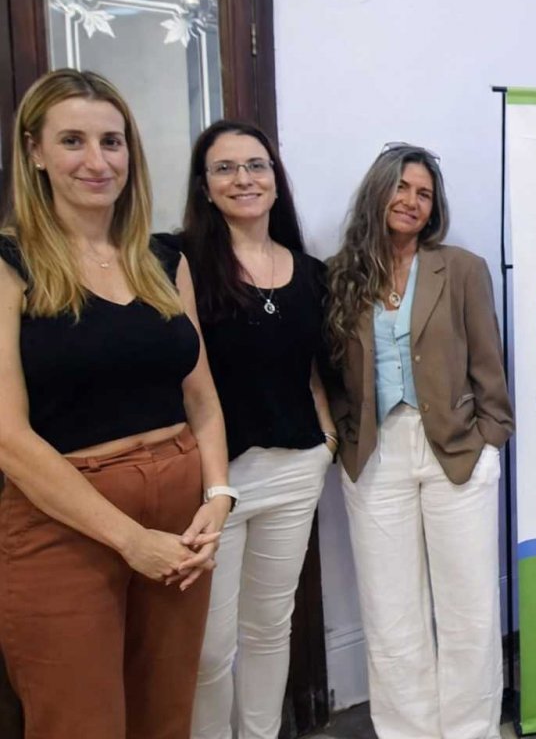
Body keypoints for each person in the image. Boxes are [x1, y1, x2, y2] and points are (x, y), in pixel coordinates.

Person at [0, 68, 230, 739]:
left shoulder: (163, 259)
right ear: (35, 152)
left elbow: (202, 397)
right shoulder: (10, 264)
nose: (97, 162)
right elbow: (8, 436)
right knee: (80, 721)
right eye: (72, 141)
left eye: (112, 141)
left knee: (166, 714)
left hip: (181, 510)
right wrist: (131, 540)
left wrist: (219, 496)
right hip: (64, 517)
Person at [325, 142, 514, 739]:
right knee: (390, 612)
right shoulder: (340, 274)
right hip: (375, 454)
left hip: (455, 450)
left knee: (468, 608)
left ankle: (470, 731)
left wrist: (490, 439)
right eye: (401, 187)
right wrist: (343, 439)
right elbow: (329, 368)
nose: (411, 201)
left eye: (424, 193)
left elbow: (489, 363)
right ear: (378, 192)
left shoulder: (461, 269)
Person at [182, 120, 337, 739]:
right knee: (209, 649)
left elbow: (314, 371)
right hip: (213, 483)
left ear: (275, 180)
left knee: (270, 629)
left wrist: (326, 441)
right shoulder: (181, 263)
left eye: (256, 165)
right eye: (225, 168)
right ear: (204, 186)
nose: (243, 178)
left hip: (296, 470)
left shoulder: (311, 273)